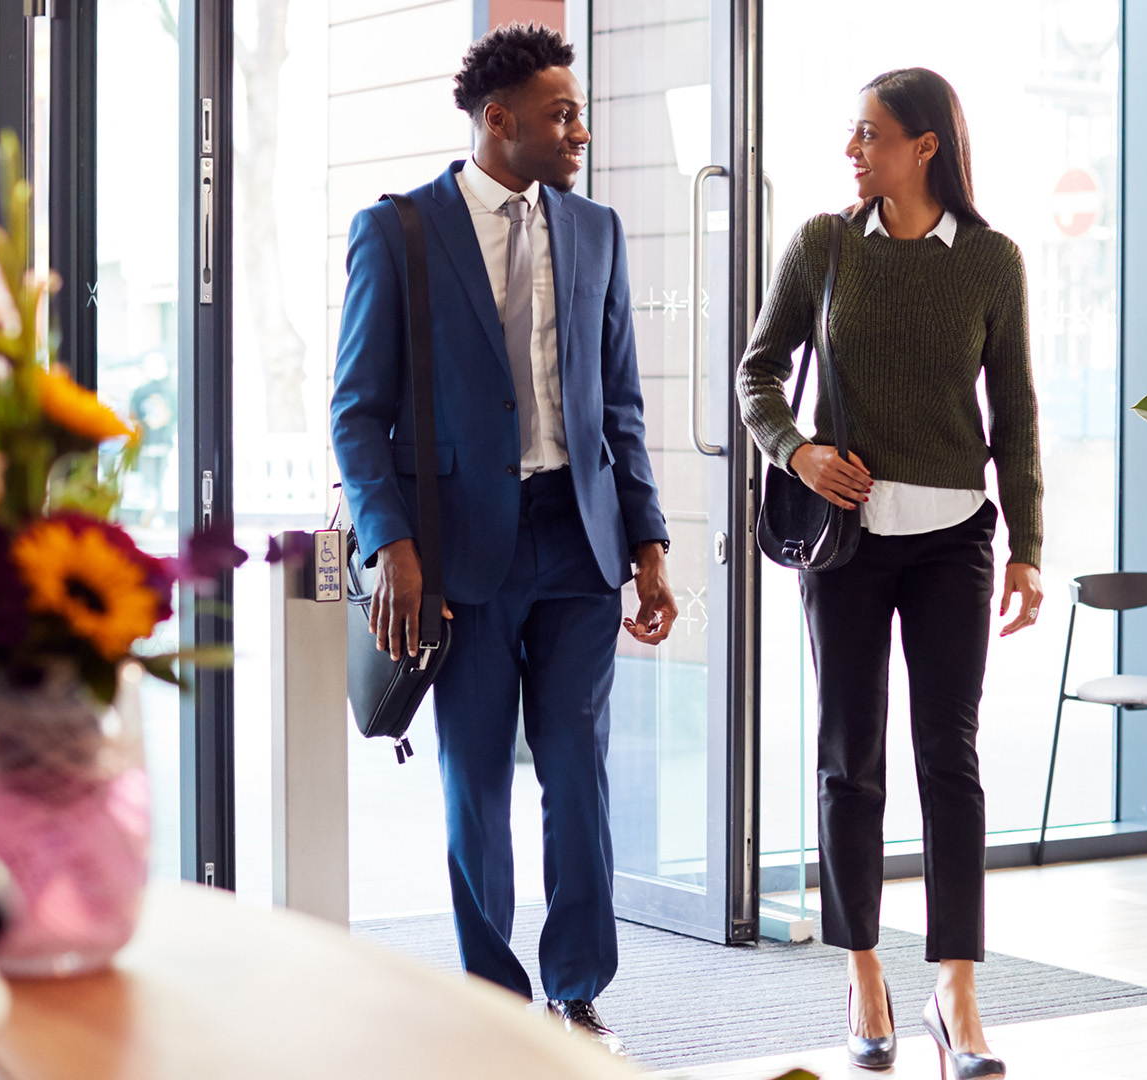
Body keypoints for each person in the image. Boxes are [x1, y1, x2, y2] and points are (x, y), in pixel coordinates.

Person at [329, 22, 676, 1057]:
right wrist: (393, 543)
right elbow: (356, 410)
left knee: (577, 769)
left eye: (577, 113)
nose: (579, 130)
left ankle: (575, 992)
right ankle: (494, 998)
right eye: (561, 115)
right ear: (499, 119)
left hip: (578, 540)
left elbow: (622, 405)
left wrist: (649, 542)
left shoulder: (596, 231)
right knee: (474, 776)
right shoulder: (397, 232)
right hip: (456, 555)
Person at [735, 67, 1043, 1079]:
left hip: (956, 539)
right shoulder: (824, 246)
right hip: (846, 543)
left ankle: (955, 989)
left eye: (870, 135)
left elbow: (1019, 417)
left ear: (926, 148)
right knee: (848, 756)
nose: (852, 151)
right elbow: (757, 371)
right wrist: (799, 452)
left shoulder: (992, 262)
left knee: (948, 760)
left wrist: (1029, 548)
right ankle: (863, 966)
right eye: (852, 135)